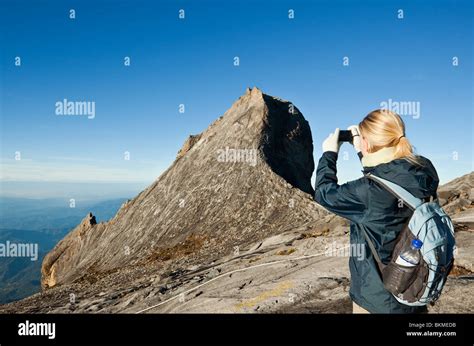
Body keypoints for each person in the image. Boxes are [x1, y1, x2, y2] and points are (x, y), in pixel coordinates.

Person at [314, 109, 439, 313]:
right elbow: (386, 181)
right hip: (415, 288)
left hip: (378, 300)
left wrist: (329, 153)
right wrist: (363, 152)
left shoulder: (369, 192)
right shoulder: (424, 169)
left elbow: (324, 194)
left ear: (368, 143)